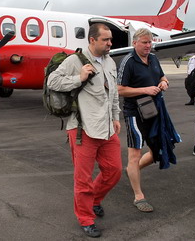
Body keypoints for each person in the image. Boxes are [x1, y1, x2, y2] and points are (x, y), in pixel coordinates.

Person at [47, 23, 121, 238]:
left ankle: (95, 200)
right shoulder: (74, 61)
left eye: (110, 40)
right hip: (82, 129)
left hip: (107, 128)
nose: (110, 43)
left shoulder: (110, 62)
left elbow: (113, 93)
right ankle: (86, 218)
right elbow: (53, 81)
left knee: (114, 171)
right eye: (105, 40)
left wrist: (116, 117)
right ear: (92, 40)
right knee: (83, 179)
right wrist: (78, 78)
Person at [117, 28, 170, 213]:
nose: (149, 46)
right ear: (135, 43)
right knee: (135, 154)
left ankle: (132, 170)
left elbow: (162, 76)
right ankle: (139, 196)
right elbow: (120, 89)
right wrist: (145, 90)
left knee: (158, 151)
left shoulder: (154, 58)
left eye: (150, 42)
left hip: (153, 110)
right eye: (145, 42)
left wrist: (164, 82)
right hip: (134, 113)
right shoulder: (128, 62)